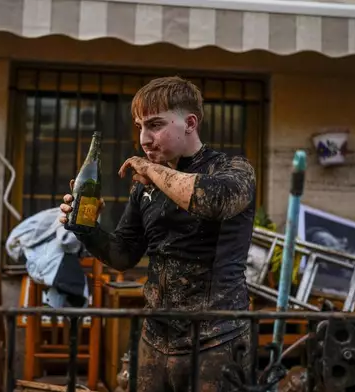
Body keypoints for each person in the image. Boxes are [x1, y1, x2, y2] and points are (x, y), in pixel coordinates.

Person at [59, 76, 256, 392]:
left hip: (218, 338)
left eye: (155, 125)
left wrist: (149, 169)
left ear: (190, 123)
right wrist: (86, 228)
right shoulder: (144, 187)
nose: (144, 139)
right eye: (139, 127)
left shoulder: (233, 168)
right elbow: (124, 254)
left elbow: (214, 201)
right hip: (154, 339)